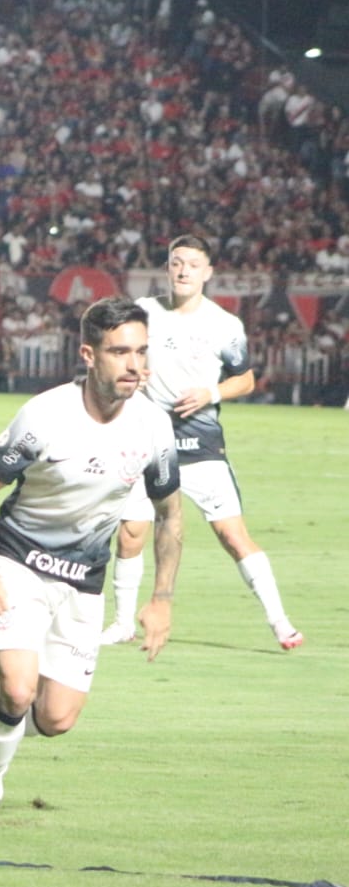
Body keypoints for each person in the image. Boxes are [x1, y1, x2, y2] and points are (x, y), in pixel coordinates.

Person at [0, 297, 183, 829]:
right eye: (120, 352)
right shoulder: (46, 415)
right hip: (19, 562)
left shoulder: (153, 427)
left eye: (141, 352)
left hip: (83, 580)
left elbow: (170, 514)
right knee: (18, 689)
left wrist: (161, 599)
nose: (134, 365)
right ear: (89, 355)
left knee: (55, 718)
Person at [99, 234, 303, 650]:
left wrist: (210, 393)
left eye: (193, 264)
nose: (184, 271)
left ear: (207, 273)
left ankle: (280, 622)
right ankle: (122, 624)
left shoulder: (224, 325)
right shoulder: (144, 313)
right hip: (148, 443)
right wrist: (134, 373)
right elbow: (121, 356)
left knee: (232, 535)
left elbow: (245, 379)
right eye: (177, 262)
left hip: (201, 445)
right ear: (167, 268)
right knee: (131, 534)